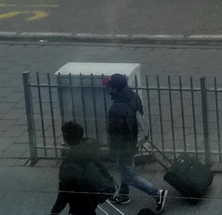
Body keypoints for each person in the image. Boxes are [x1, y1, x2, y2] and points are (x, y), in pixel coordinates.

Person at [105, 73, 168, 213]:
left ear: (115, 89)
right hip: (134, 140)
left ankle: (157, 194)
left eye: (108, 86)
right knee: (125, 169)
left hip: (125, 147)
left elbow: (116, 137)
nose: (106, 88)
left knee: (129, 175)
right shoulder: (133, 96)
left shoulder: (116, 109)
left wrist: (111, 155)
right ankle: (123, 194)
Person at [50, 121, 107, 215]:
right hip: (94, 196)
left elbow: (63, 194)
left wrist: (54, 211)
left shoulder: (69, 165)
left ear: (66, 140)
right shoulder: (90, 149)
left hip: (78, 203)